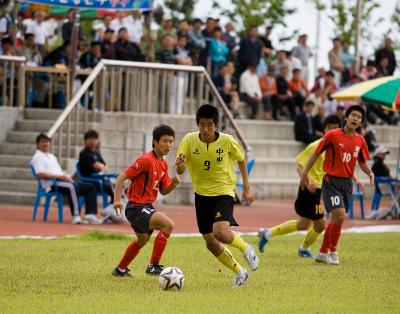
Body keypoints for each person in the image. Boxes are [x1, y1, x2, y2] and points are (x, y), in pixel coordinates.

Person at [175, 104, 258, 287]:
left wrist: (246, 188)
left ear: (216, 125)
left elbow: (241, 159)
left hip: (223, 192)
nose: (206, 129)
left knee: (220, 231)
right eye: (202, 124)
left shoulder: (227, 141)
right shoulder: (189, 140)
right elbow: (180, 168)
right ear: (197, 124)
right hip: (201, 195)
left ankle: (246, 248)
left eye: (210, 125)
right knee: (210, 242)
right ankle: (240, 272)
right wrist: (180, 165)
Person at [258, 115, 342, 257]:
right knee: (320, 225)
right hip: (309, 190)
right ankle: (303, 248)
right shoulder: (316, 146)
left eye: (335, 128)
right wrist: (309, 183)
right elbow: (300, 167)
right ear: (324, 129)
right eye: (329, 128)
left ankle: (268, 233)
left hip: (318, 190)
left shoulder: (336, 149)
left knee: (303, 224)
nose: (332, 131)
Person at [300, 105, 374, 265]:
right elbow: (315, 154)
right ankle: (333, 251)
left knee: (337, 219)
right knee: (340, 215)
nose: (356, 119)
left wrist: (369, 173)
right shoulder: (333, 135)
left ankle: (321, 253)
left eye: (359, 117)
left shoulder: (360, 140)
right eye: (353, 115)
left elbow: (361, 162)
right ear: (346, 118)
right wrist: (305, 174)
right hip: (330, 181)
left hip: (347, 183)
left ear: (361, 122)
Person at [111, 125, 180, 277]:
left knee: (142, 240)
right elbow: (122, 177)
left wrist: (173, 184)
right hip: (136, 207)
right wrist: (116, 200)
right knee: (168, 225)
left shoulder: (163, 164)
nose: (168, 145)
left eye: (171, 142)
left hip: (144, 206)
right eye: (165, 141)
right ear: (155, 142)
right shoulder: (146, 160)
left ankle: (120, 269)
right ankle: (153, 265)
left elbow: (163, 190)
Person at [31, 133, 101, 224]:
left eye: (47, 142)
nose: (45, 144)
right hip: (51, 184)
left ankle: (90, 215)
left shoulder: (52, 157)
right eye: (43, 142)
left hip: (62, 181)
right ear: (37, 144)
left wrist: (67, 176)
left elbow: (59, 172)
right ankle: (76, 216)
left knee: (90, 186)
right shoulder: (37, 157)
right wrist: (59, 176)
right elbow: (40, 174)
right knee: (71, 186)